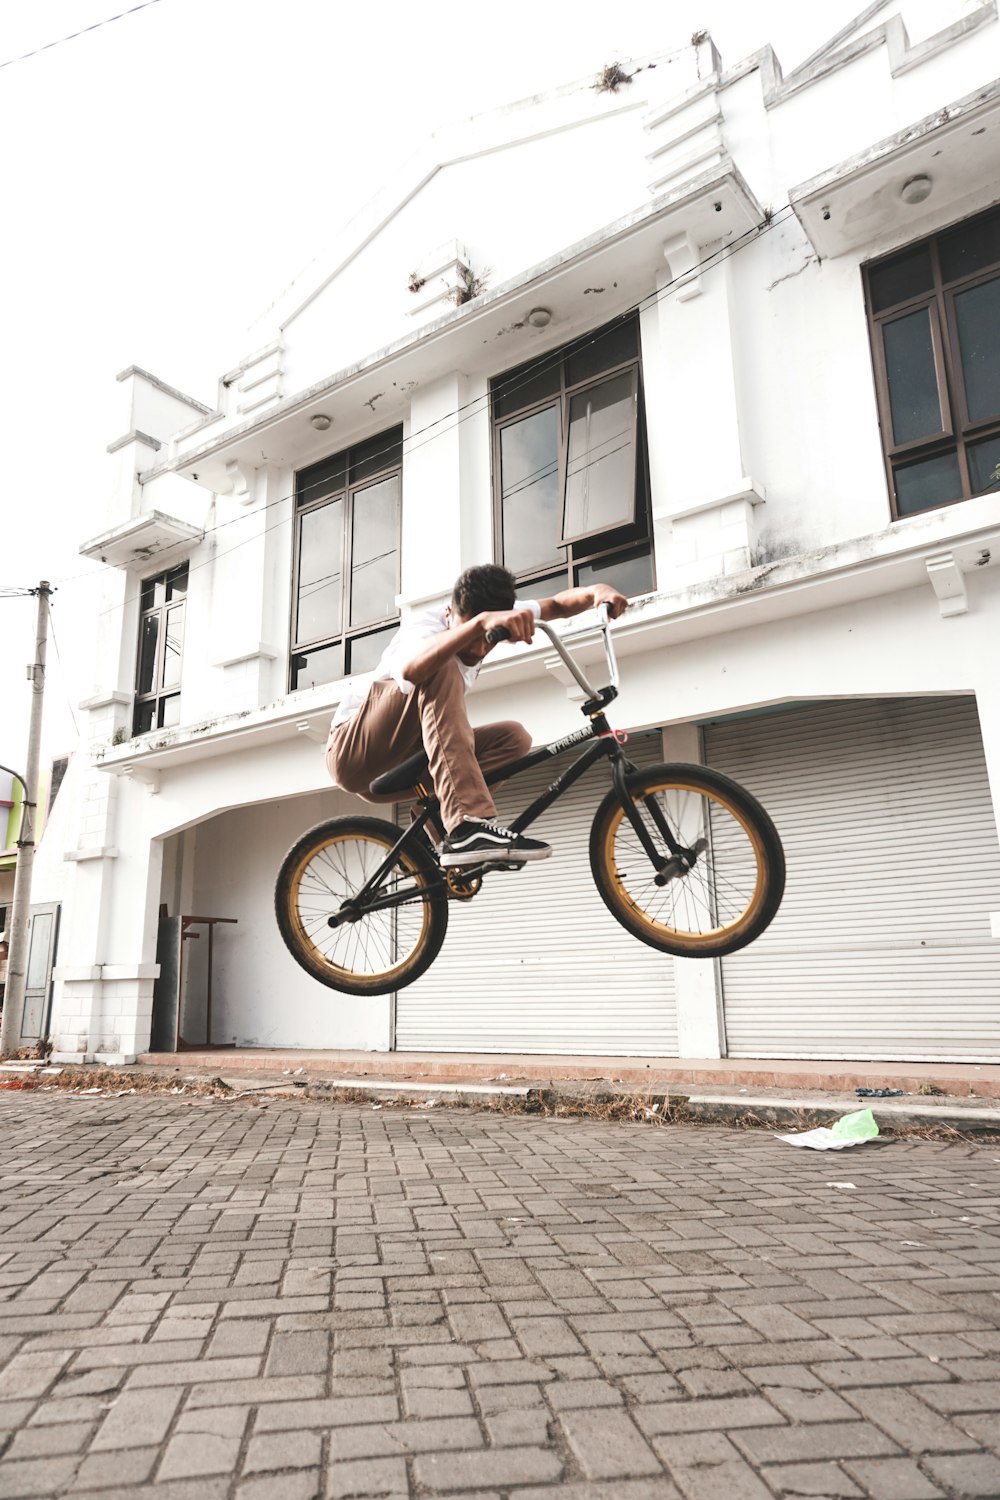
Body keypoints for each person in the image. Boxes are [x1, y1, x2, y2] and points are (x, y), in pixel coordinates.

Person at [326, 564, 627, 866]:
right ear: (450, 615)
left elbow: (557, 605)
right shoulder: (425, 627)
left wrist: (596, 591)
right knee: (440, 667)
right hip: (355, 753)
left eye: (490, 638)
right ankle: (465, 825)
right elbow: (410, 669)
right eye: (471, 633)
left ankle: (434, 823)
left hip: (408, 763)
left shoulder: (499, 619)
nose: (480, 648)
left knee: (514, 738)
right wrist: (481, 623)